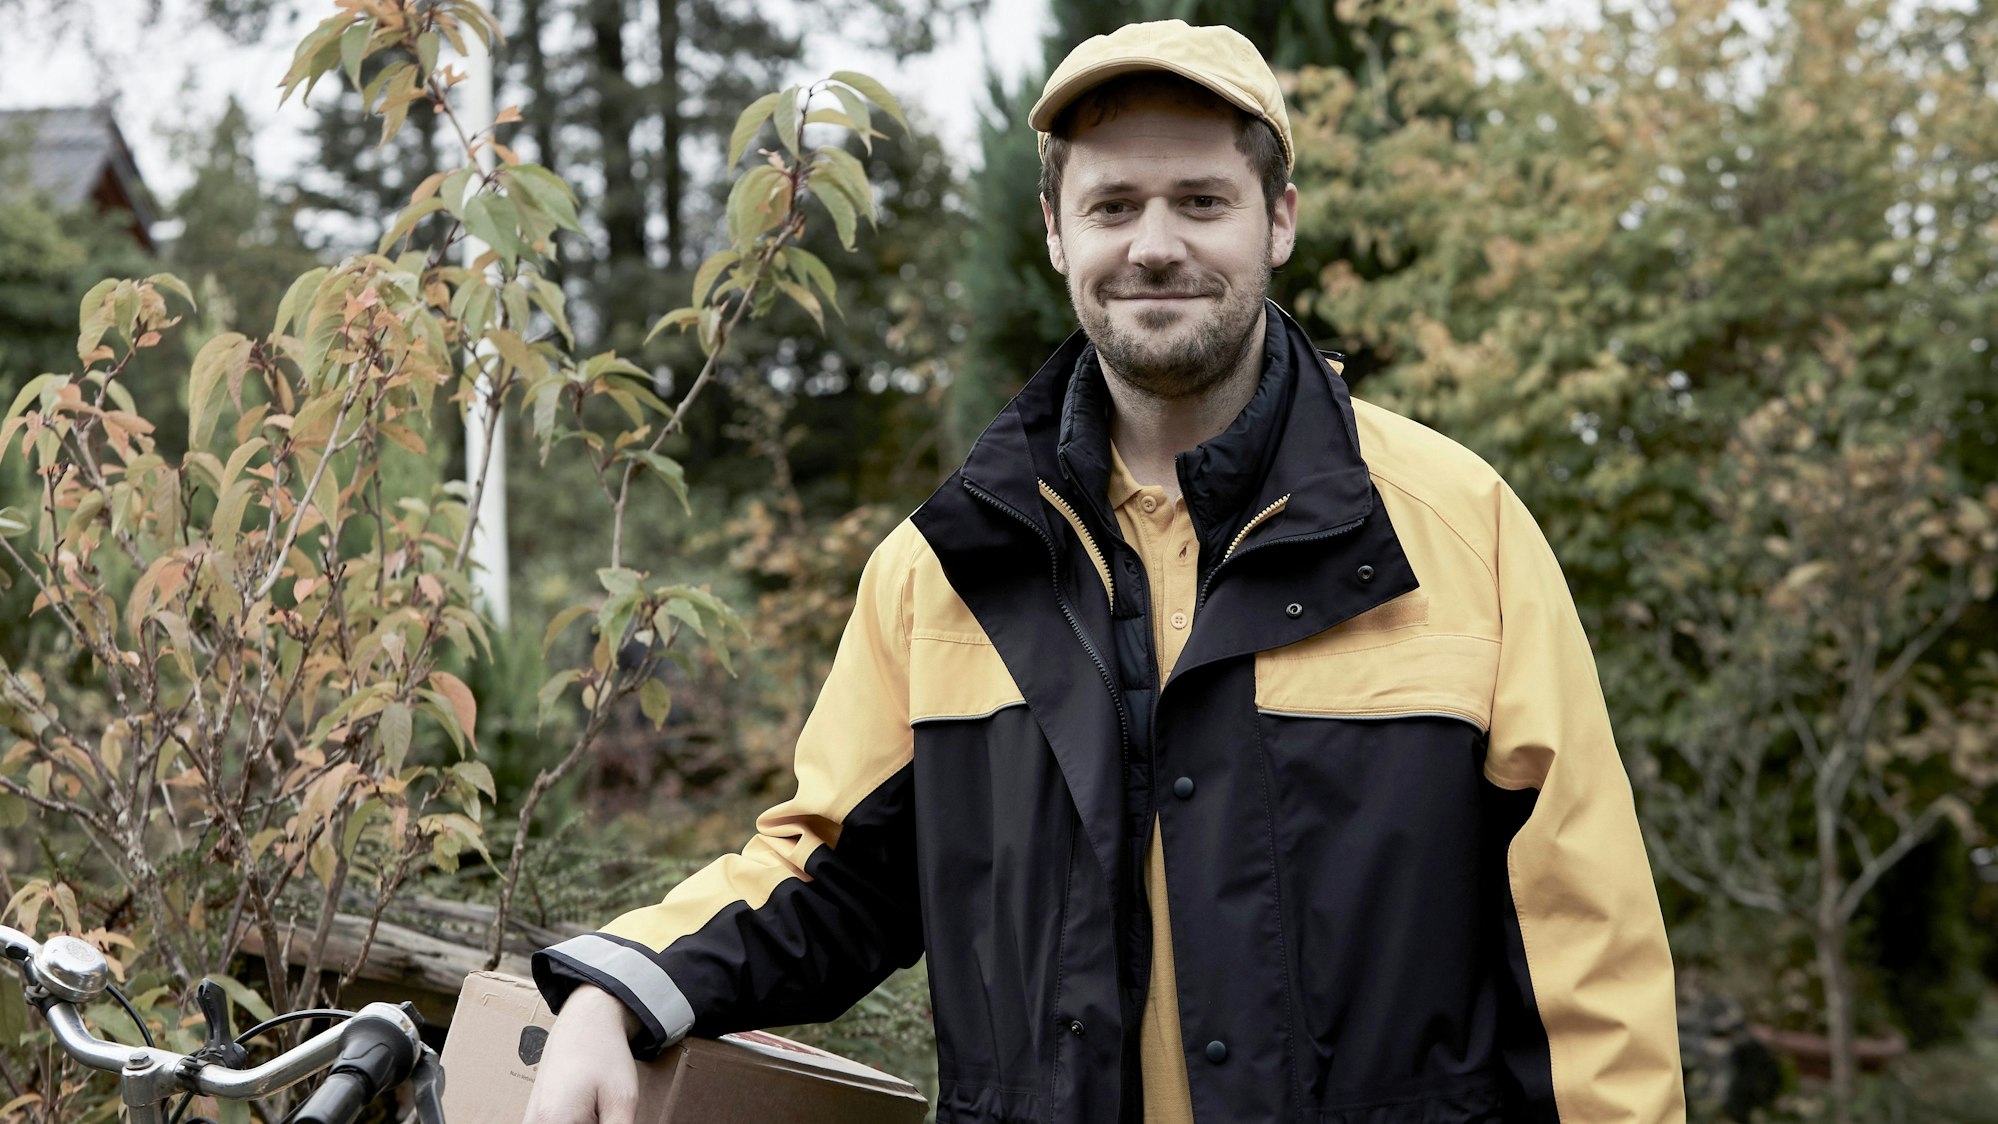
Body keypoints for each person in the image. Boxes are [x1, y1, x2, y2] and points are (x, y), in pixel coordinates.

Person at [523, 19, 1685, 1124]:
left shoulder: (1460, 530)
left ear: (1278, 220)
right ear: (1055, 232)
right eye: (1113, 204)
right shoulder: (948, 568)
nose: (1156, 243)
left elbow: (1585, 953)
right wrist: (615, 987)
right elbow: (825, 876)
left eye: (1202, 201)